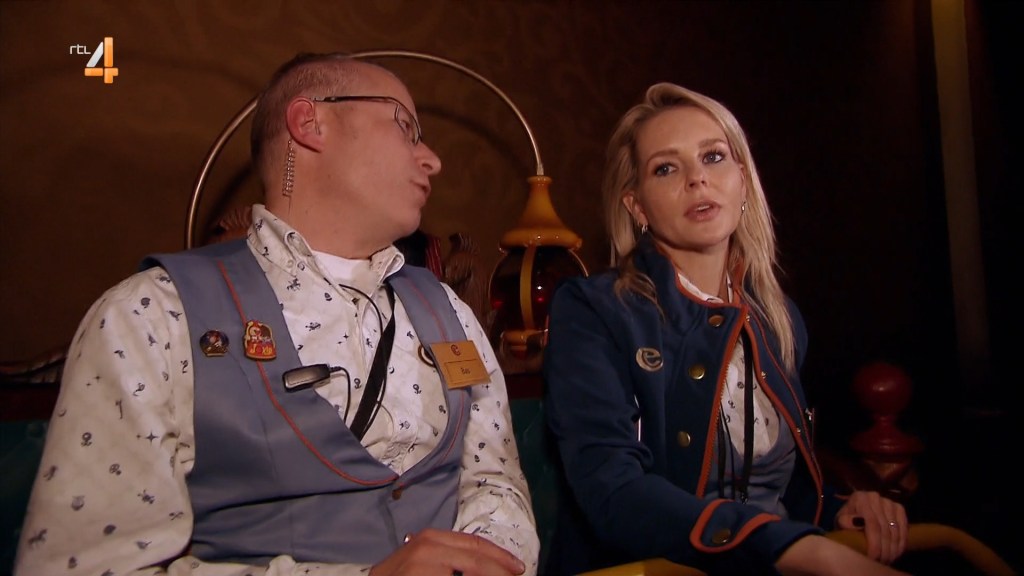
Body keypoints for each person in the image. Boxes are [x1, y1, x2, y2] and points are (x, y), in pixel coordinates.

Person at [15, 52, 538, 576]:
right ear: (309, 123)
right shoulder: (150, 316)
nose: (432, 160)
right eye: (406, 127)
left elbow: (494, 482)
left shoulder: (450, 310)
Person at [542, 82, 909, 576]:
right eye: (666, 168)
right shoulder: (593, 309)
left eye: (713, 157)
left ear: (743, 181)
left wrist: (841, 509)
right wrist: (808, 551)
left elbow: (787, 491)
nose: (697, 179)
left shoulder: (779, 318)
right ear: (637, 207)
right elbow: (612, 491)